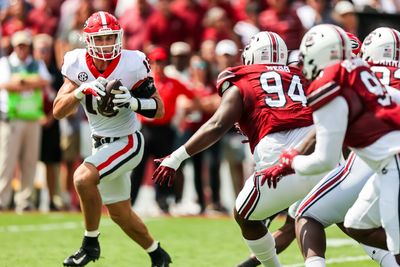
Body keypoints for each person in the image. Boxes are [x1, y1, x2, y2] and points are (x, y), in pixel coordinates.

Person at [153, 31, 324, 267]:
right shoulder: (301, 76)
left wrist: (176, 157)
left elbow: (217, 124)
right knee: (334, 220)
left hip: (280, 159)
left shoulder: (243, 79)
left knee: (244, 215)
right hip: (321, 153)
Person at [257, 24, 400, 265]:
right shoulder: (359, 71)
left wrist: (291, 161)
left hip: (391, 161)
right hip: (385, 164)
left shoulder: (330, 81)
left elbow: (325, 158)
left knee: (308, 213)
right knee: (357, 223)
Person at [53, 11, 171, 267]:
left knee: (82, 178)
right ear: (88, 40)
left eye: (111, 38)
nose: (106, 44)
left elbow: (159, 109)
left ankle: (89, 245)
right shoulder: (75, 62)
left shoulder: (133, 62)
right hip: (101, 145)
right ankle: (158, 255)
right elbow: (57, 111)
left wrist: (132, 101)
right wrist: (78, 92)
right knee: (120, 214)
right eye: (101, 38)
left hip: (128, 141)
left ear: (119, 38)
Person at [0, 30, 51, 212]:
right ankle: (2, 200)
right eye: (19, 46)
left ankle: (24, 201)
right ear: (14, 47)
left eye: (25, 46)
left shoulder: (36, 63)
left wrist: (22, 82)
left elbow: (45, 81)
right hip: (12, 118)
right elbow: (6, 85)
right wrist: (31, 82)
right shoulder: (5, 63)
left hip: (32, 117)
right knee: (7, 161)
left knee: (30, 162)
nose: (22, 49)